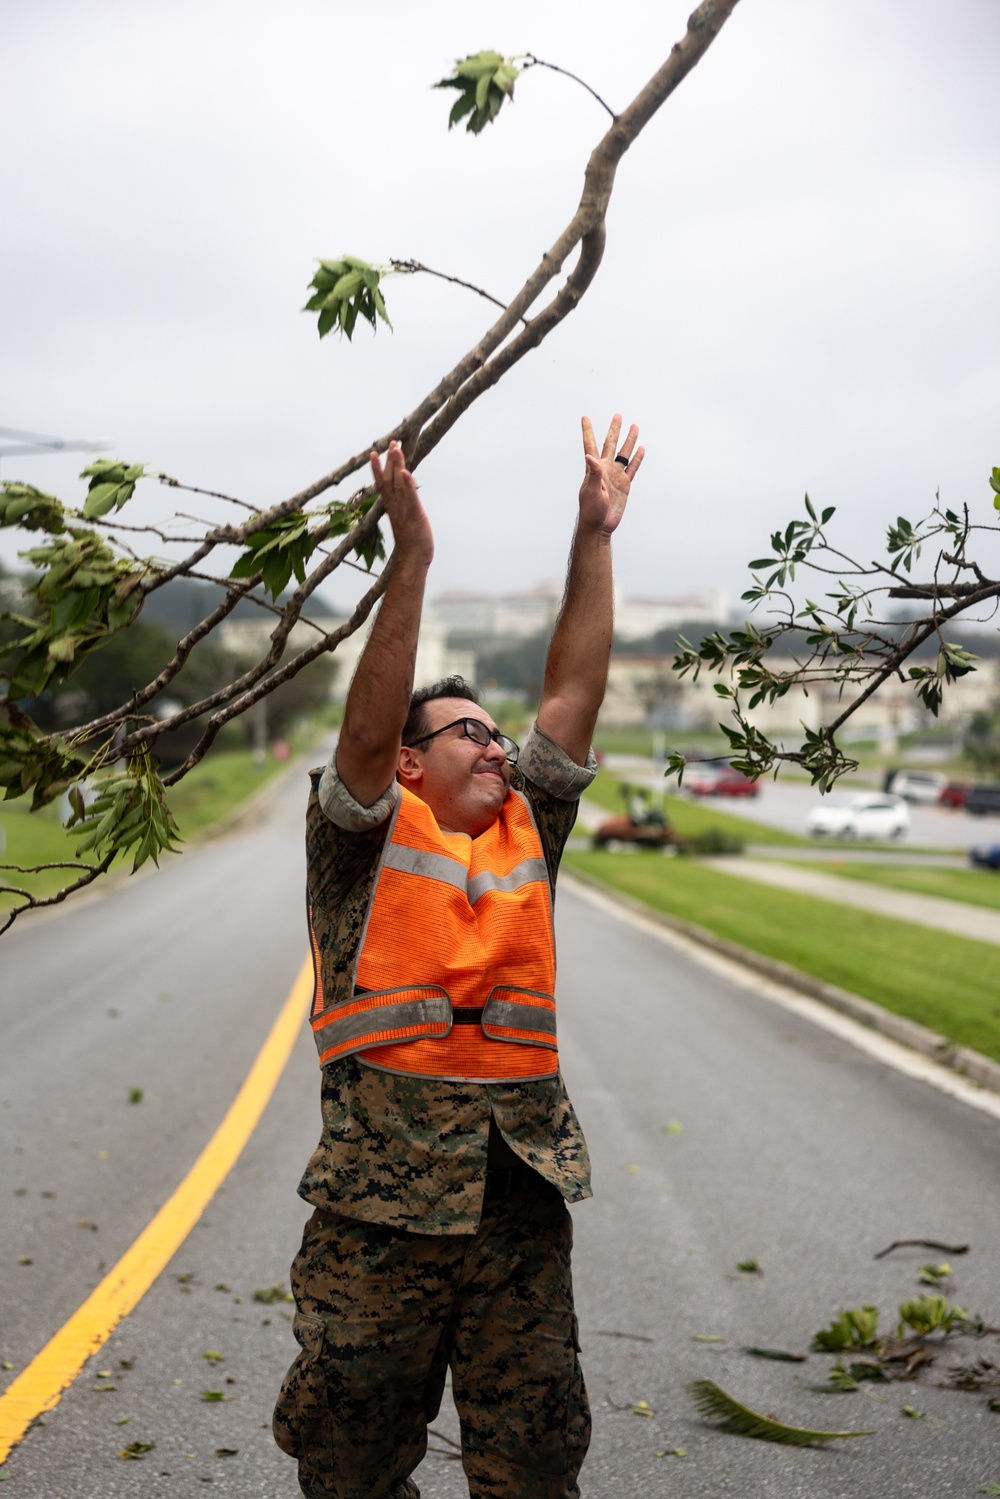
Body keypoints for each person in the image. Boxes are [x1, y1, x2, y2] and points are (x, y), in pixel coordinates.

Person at [274, 414, 644, 1499]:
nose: (495, 743)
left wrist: (594, 535)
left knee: (532, 1466)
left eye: (496, 731)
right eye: (467, 733)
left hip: (516, 1207)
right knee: (348, 1465)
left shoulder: (530, 827)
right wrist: (412, 561)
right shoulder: (359, 840)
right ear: (408, 758)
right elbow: (358, 734)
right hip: (378, 1219)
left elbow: (572, 697)